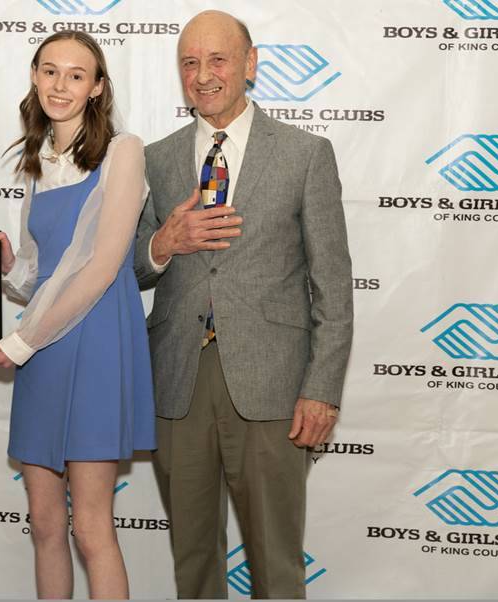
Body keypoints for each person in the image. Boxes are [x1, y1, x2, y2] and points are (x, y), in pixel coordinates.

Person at [134, 10, 353, 599]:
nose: (203, 75)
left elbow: (332, 285)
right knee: (193, 564)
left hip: (274, 385)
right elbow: (129, 266)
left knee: (277, 566)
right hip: (178, 381)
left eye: (218, 59)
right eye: (189, 63)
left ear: (250, 64)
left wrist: (323, 386)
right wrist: (162, 244)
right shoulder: (154, 157)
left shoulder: (307, 154)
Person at [0, 30, 155, 599]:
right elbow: (37, 274)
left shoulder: (123, 151)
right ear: (35, 77)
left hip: (97, 334)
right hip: (43, 341)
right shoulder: (35, 161)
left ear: (97, 88)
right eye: (50, 71)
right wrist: (9, 266)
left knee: (92, 528)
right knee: (45, 522)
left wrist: (22, 342)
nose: (61, 84)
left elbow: (102, 264)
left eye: (76, 75)